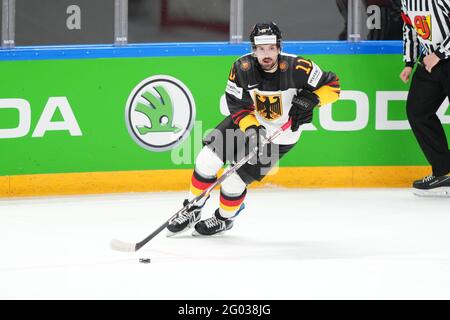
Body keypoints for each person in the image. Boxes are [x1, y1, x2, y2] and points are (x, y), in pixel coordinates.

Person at [167, 22, 341, 236]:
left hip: (281, 136)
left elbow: (333, 86)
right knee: (206, 160)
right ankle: (193, 207)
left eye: (270, 48)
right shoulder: (242, 68)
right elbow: (236, 104)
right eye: (260, 48)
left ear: (279, 47)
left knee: (233, 182)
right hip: (248, 123)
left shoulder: (299, 67)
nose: (266, 54)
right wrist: (252, 129)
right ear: (253, 49)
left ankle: (224, 219)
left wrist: (313, 99)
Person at [399, 0, 450, 196]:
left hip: (438, 58)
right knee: (418, 111)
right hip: (430, 62)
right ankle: (443, 171)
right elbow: (410, 28)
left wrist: (439, 54)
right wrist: (409, 62)